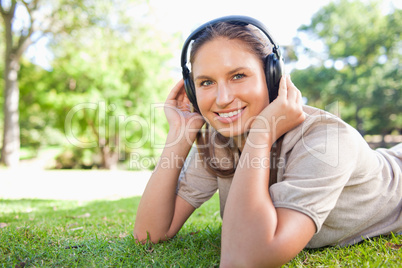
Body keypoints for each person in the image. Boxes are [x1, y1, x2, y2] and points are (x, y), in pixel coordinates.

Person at [133, 16, 402, 267]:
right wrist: (180, 133)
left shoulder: (328, 142)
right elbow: (150, 233)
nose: (223, 97)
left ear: (272, 77)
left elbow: (243, 258)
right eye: (205, 82)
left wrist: (262, 133)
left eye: (238, 75)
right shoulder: (221, 142)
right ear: (192, 91)